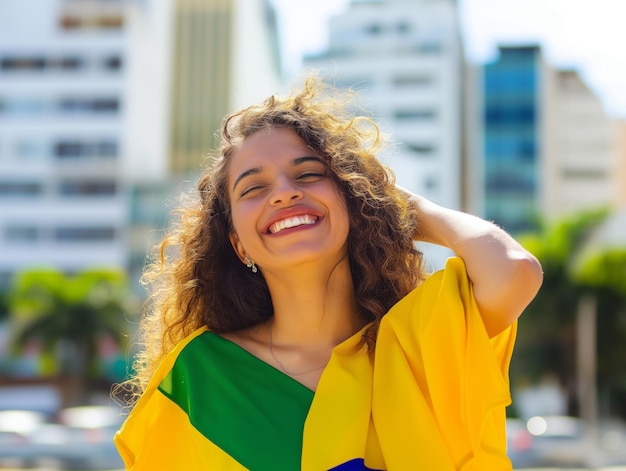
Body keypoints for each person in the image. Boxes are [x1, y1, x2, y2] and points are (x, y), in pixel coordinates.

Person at [113, 73, 543, 471]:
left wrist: (402, 206)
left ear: (354, 203)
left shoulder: (415, 346)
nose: (284, 193)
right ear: (238, 243)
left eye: (310, 174)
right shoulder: (201, 379)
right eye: (254, 187)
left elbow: (513, 270)